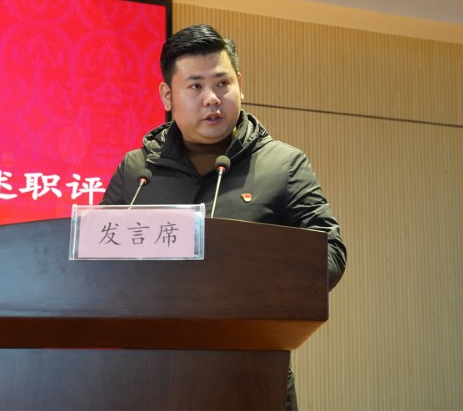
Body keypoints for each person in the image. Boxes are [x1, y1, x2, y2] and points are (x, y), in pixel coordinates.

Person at [101, 24, 347, 410]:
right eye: (195, 86)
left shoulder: (283, 165)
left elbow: (329, 252)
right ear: (168, 95)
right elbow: (96, 262)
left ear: (240, 85)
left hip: (251, 375)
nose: (212, 98)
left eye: (222, 83)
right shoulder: (137, 173)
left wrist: (257, 292)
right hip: (148, 377)